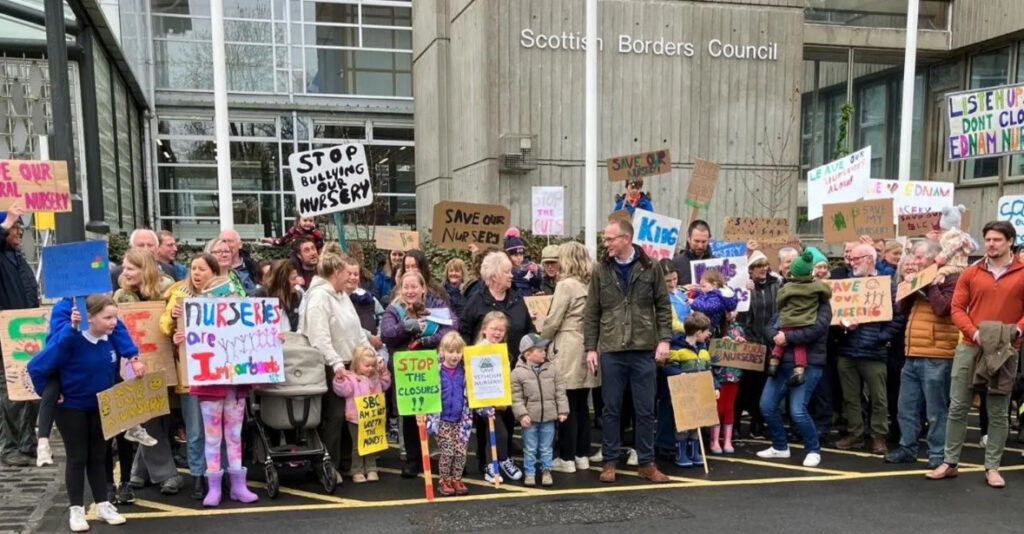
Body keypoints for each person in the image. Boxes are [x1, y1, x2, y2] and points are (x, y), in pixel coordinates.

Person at [28, 295, 145, 532]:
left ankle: (102, 505)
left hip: (100, 406)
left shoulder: (109, 340)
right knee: (77, 457)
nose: (114, 323)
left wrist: (134, 361)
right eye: (108, 318)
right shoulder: (70, 340)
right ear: (89, 318)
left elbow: (119, 360)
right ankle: (76, 509)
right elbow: (36, 367)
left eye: (115, 317)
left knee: (99, 456)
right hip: (72, 407)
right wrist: (48, 393)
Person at [929, 221, 1024, 489]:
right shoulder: (971, 272)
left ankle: (992, 468)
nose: (991, 244)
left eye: (997, 240)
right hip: (971, 346)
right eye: (988, 239)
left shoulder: (1022, 272)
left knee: (998, 410)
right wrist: (975, 333)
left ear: (1010, 242)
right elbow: (957, 308)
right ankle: (950, 463)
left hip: (1005, 350)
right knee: (957, 406)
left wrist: (1017, 331)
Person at [583, 217, 671, 483]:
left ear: (626, 239)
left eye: (610, 239)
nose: (606, 243)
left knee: (645, 409)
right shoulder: (601, 269)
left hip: (643, 348)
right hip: (611, 348)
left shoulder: (651, 267)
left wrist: (665, 340)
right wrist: (590, 347)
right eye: (605, 239)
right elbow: (592, 311)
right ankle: (610, 461)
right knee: (611, 409)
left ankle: (646, 462)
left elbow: (663, 306)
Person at [174, 274, 260, 507]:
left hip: (235, 386)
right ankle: (214, 487)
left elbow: (258, 341)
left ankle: (238, 486)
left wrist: (272, 339)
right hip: (210, 386)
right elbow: (187, 345)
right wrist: (181, 337)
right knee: (212, 438)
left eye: (230, 295)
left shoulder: (242, 319)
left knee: (234, 436)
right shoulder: (197, 319)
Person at [112, 250, 181, 499]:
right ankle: (166, 474)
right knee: (148, 416)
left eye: (130, 268)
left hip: (166, 361)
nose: (124, 273)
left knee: (158, 417)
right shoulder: (120, 295)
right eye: (124, 267)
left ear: (145, 269)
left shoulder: (168, 290)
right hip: (134, 363)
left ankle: (138, 471)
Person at [299, 251, 373, 480]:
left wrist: (370, 353)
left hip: (350, 362)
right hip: (330, 365)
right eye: (345, 272)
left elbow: (357, 330)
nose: (350, 277)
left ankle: (346, 462)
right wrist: (335, 362)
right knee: (335, 416)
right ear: (336, 273)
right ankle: (326, 464)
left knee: (351, 416)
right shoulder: (319, 297)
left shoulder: (342, 296)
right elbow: (319, 336)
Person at [884, 240, 957, 469]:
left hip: (937, 353)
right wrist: (909, 286)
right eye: (914, 256)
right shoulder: (919, 278)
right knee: (906, 406)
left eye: (919, 257)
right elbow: (901, 309)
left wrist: (929, 284)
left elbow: (942, 308)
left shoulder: (951, 278)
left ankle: (937, 454)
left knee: (936, 409)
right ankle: (907, 447)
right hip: (912, 351)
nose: (915, 261)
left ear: (935, 257)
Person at [381, 270, 458, 478]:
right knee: (410, 414)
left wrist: (427, 340)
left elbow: (452, 326)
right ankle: (413, 459)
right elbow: (386, 334)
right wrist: (408, 326)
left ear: (423, 288)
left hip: (431, 366)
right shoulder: (393, 310)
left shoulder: (436, 305)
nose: (410, 291)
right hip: (406, 370)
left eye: (414, 286)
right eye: (406, 287)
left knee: (436, 412)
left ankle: (440, 456)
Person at [833, 244, 906, 455]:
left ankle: (878, 436)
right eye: (851, 259)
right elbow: (834, 314)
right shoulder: (846, 285)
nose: (852, 262)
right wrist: (842, 326)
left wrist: (881, 337)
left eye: (857, 259)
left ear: (870, 259)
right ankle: (855, 434)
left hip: (874, 351)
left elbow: (898, 316)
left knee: (878, 398)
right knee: (851, 397)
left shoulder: (887, 285)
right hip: (847, 349)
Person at [161, 254, 221, 500]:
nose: (196, 273)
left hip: (218, 375)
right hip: (190, 375)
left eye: (202, 269)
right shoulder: (179, 294)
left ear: (213, 272)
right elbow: (164, 326)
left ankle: (217, 474)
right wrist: (174, 321)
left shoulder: (223, 296)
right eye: (193, 268)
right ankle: (197, 475)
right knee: (195, 430)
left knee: (217, 430)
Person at [757, 284, 832, 467]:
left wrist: (788, 338)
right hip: (781, 362)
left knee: (798, 411)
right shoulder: (787, 303)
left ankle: (813, 450)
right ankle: (780, 446)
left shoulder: (822, 305)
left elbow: (817, 330)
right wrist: (775, 336)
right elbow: (770, 326)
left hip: (808, 363)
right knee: (767, 406)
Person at [542, 242, 597, 474]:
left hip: (567, 344)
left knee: (566, 404)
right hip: (588, 344)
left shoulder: (565, 285)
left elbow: (553, 320)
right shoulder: (591, 283)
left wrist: (541, 339)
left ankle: (566, 457)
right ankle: (582, 454)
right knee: (582, 404)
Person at [0, 207, 41, 467]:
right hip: (5, 334)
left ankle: (27, 442)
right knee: (10, 392)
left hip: (26, 332)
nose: (19, 231)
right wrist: (6, 223)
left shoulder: (16, 256)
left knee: (30, 385)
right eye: (15, 227)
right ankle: (10, 446)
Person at [511, 334, 569, 487]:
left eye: (544, 349)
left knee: (546, 447)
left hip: (549, 417)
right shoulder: (517, 373)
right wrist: (522, 415)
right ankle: (529, 473)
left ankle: (546, 470)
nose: (544, 352)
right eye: (540, 350)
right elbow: (516, 397)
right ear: (527, 354)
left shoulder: (553, 369)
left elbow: (560, 392)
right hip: (529, 419)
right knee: (530, 448)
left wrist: (563, 411)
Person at [469, 312, 519, 483]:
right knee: (500, 433)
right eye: (494, 329)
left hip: (499, 400)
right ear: (484, 329)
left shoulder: (501, 350)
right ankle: (500, 461)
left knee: (492, 433)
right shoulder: (478, 350)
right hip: (484, 401)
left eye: (501, 330)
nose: (497, 333)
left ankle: (493, 464)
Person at [769, 248, 831, 386]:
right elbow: (827, 292)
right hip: (804, 322)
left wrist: (785, 335)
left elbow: (779, 302)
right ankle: (799, 371)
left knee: (784, 341)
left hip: (789, 324)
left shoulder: (786, 288)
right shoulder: (817, 287)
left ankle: (773, 361)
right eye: (788, 261)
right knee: (800, 347)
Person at [665, 312, 719, 466]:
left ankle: (694, 453)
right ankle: (681, 454)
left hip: (699, 393)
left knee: (697, 424)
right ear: (698, 333)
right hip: (684, 395)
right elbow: (669, 368)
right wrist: (679, 374)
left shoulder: (703, 351)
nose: (709, 334)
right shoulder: (677, 350)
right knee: (683, 425)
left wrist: (715, 387)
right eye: (707, 331)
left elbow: (709, 371)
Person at [332, 346, 391, 483]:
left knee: (372, 444)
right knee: (357, 446)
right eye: (367, 365)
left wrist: (384, 373)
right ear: (357, 364)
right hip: (355, 418)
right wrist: (339, 379)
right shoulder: (351, 378)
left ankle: (371, 468)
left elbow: (386, 385)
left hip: (372, 418)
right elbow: (343, 391)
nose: (370, 369)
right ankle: (357, 470)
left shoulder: (376, 378)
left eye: (373, 366)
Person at [735, 250, 778, 438]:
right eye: (758, 266)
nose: (763, 269)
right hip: (749, 344)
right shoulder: (744, 286)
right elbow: (739, 315)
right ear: (750, 270)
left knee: (762, 387)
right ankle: (735, 424)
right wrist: (744, 291)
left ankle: (757, 424)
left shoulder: (776, 285)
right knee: (742, 387)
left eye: (765, 265)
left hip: (768, 344)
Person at [429, 332, 473, 497]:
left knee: (460, 453)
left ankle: (457, 479)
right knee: (448, 452)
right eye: (450, 351)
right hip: (442, 421)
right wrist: (423, 414)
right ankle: (445, 480)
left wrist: (486, 410)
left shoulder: (466, 372)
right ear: (442, 351)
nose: (454, 356)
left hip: (462, 421)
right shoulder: (435, 372)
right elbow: (426, 394)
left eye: (458, 352)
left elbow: (475, 396)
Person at [111, 230, 178, 290]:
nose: (146, 249)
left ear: (157, 248)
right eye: (141, 245)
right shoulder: (116, 274)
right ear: (132, 248)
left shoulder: (169, 271)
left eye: (150, 245)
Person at [253, 260, 303, 332]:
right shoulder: (257, 297)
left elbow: (301, 327)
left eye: (296, 277)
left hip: (292, 338)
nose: (297, 282)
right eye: (293, 279)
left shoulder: (298, 297)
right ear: (282, 281)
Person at [687, 270, 738, 336]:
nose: (701, 289)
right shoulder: (710, 293)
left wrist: (693, 302)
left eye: (703, 286)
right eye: (700, 286)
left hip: (710, 326)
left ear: (714, 284)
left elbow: (708, 307)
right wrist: (695, 291)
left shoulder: (718, 298)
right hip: (704, 323)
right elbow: (704, 297)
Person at [672, 219, 713, 286]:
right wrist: (683, 289)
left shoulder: (716, 264)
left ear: (709, 240)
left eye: (703, 242)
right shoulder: (676, 263)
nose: (700, 246)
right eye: (696, 241)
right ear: (688, 238)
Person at [505, 227, 541, 296]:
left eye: (521, 254)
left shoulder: (527, 267)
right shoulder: (505, 271)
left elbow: (536, 285)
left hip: (527, 298)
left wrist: (536, 273)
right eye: (515, 255)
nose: (519, 258)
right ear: (507, 256)